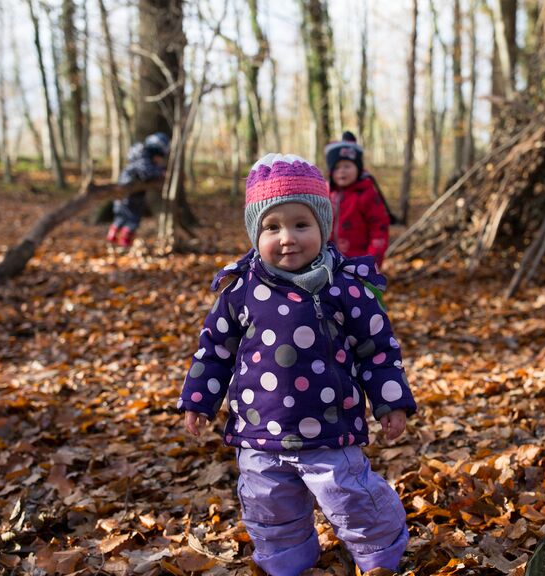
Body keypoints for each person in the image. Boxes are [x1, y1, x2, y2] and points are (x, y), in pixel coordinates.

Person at [177, 153, 417, 576]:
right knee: (270, 509)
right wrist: (198, 399)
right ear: (255, 232)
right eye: (272, 227)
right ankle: (288, 562)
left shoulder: (346, 287)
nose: (287, 237)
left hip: (330, 429)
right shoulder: (240, 291)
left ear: (323, 227)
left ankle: (380, 554)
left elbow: (377, 351)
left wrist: (389, 402)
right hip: (258, 432)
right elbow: (214, 350)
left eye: (300, 224)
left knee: (351, 499)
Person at [325, 131, 392, 267]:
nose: (342, 171)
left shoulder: (366, 194)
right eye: (336, 168)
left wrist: (371, 262)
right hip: (329, 262)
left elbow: (379, 228)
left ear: (359, 168)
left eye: (347, 166)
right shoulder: (326, 193)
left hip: (359, 264)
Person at [106, 132, 170, 248]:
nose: (159, 160)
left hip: (126, 193)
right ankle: (123, 244)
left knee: (121, 217)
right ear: (154, 152)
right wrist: (160, 172)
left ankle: (113, 240)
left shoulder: (138, 156)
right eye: (158, 157)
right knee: (132, 219)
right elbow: (147, 173)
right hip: (130, 194)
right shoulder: (143, 159)